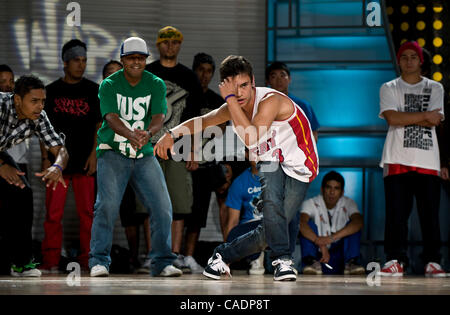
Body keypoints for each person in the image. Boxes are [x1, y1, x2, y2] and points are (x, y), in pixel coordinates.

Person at [155, 55, 319, 281]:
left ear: (252, 81)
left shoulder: (270, 101)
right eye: (233, 88)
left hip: (300, 165)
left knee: (268, 233)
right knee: (272, 204)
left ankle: (221, 256)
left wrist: (230, 100)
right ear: (224, 87)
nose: (240, 93)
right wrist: (171, 134)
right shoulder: (234, 104)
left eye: (243, 86)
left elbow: (252, 138)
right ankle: (282, 259)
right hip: (271, 159)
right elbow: (202, 121)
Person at [88, 36, 181, 277]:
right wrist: (130, 134)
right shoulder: (109, 85)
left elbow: (159, 116)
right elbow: (110, 116)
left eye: (141, 58)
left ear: (146, 60)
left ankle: (162, 263)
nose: (136, 62)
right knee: (106, 206)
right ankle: (99, 261)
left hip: (143, 153)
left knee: (163, 207)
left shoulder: (155, 83)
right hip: (113, 152)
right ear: (122, 60)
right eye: (131, 58)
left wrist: (148, 133)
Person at [378, 41, 446, 277]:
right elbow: (392, 119)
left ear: (421, 61)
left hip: (428, 160)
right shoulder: (389, 87)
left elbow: (435, 121)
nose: (408, 61)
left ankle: (433, 262)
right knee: (396, 214)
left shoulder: (435, 88)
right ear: (399, 60)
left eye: (413, 57)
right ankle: (395, 260)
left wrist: (407, 116)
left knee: (430, 215)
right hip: (396, 158)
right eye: (404, 56)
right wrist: (424, 115)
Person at [39, 39, 102, 273]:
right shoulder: (52, 91)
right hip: (58, 163)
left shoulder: (93, 90)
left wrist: (94, 155)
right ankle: (50, 261)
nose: (81, 65)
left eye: (84, 60)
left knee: (87, 214)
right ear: (65, 62)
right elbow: (43, 128)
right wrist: (46, 158)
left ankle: (88, 260)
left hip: (85, 160)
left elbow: (99, 125)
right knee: (53, 214)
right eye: (76, 60)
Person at [145, 26, 204, 273]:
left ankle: (175, 254)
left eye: (175, 42)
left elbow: (197, 118)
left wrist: (194, 150)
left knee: (178, 204)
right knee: (151, 202)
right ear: (158, 45)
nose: (170, 46)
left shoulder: (189, 77)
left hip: (180, 147)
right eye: (165, 42)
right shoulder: (149, 73)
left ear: (179, 45)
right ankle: (152, 255)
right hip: (150, 145)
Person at [0, 75, 68, 277]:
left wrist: (57, 166)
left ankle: (21, 263)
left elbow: (61, 150)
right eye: (34, 101)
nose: (40, 106)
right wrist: (2, 166)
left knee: (23, 192)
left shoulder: (39, 117)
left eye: (43, 101)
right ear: (18, 100)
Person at [102, 60, 152, 274]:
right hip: (111, 158)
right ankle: (110, 258)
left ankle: (143, 256)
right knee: (113, 209)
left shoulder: (138, 94)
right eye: (111, 74)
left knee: (141, 208)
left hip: (138, 156)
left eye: (118, 72)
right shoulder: (104, 96)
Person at [299, 171, 364, 275]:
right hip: (318, 255)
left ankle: (351, 262)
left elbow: (358, 222)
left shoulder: (348, 203)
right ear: (322, 189)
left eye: (336, 188)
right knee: (307, 225)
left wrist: (330, 239)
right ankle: (310, 262)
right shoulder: (311, 203)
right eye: (328, 187)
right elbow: (301, 223)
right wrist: (319, 242)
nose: (332, 192)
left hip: (340, 254)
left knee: (353, 227)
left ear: (342, 192)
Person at [265, 61, 320, 142]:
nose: (279, 80)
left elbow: (313, 134)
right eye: (274, 77)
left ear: (289, 79)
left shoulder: (302, 106)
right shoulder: (262, 106)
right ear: (268, 81)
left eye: (282, 75)